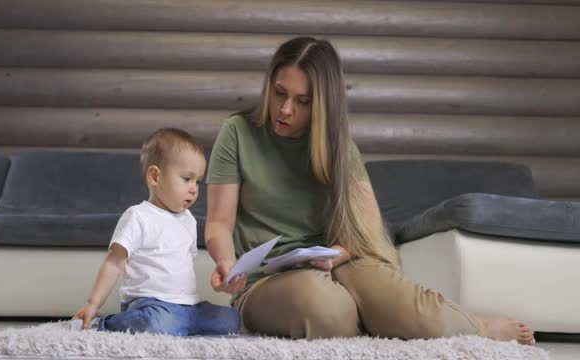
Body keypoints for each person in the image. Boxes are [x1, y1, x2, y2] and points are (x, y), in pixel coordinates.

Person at [204, 37, 535, 345]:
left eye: (302, 101)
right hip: (265, 282)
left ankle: (478, 327)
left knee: (408, 308)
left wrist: (334, 257)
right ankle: (375, 317)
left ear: (322, 105)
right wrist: (226, 261)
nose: (285, 109)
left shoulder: (337, 145)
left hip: (336, 267)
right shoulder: (237, 133)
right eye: (279, 93)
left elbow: (367, 228)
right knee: (326, 312)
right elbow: (220, 222)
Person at [73, 128, 240, 336]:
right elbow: (114, 263)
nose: (194, 189)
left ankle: (180, 325)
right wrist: (92, 304)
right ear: (155, 176)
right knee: (156, 324)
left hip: (189, 306)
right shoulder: (138, 216)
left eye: (197, 181)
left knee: (230, 320)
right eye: (187, 179)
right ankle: (109, 323)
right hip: (151, 304)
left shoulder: (188, 219)